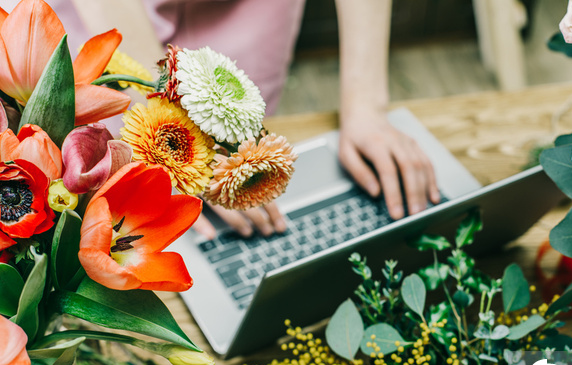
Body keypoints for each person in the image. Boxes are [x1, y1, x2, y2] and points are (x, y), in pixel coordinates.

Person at [52, 0, 440, 236]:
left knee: (241, 144)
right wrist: (182, 144)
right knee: (103, 171)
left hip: (251, 11)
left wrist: (367, 106)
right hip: (106, 13)